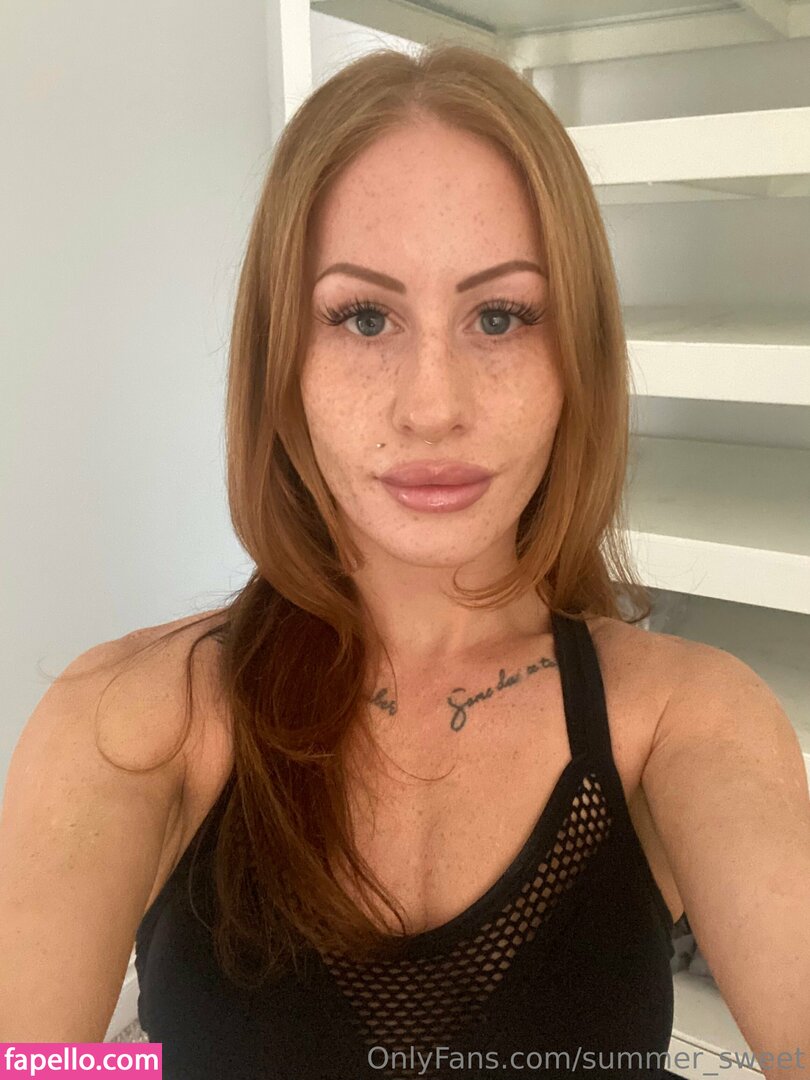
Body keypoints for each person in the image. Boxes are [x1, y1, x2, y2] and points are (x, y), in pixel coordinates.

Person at [2, 42, 808, 1080]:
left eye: (500, 316)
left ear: (578, 360)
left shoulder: (687, 720)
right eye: (365, 317)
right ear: (281, 358)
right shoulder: (127, 723)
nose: (433, 406)